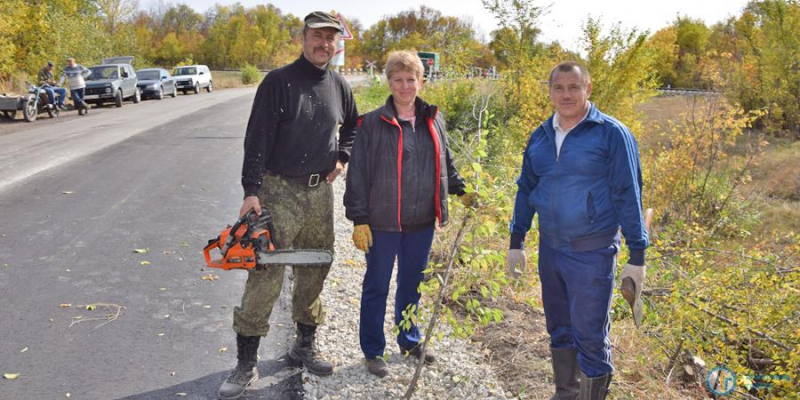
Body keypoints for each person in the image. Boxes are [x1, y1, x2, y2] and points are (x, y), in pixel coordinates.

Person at [217, 11, 359, 400]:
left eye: (331, 38)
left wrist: (342, 156)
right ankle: (246, 363)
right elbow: (257, 138)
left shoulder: (340, 85)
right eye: (317, 36)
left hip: (319, 195)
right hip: (277, 192)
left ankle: (304, 345)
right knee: (266, 274)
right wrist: (251, 191)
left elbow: (353, 126)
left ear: (337, 44)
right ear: (303, 37)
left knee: (316, 267)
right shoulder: (278, 83)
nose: (324, 44)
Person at [505, 61, 648, 400]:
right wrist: (516, 240)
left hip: (592, 252)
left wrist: (637, 255)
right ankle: (566, 393)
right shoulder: (540, 136)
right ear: (550, 91)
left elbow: (628, 193)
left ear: (588, 89)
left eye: (574, 87)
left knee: (589, 335)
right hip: (550, 250)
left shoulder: (611, 134)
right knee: (559, 329)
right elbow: (526, 189)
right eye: (559, 88)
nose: (566, 94)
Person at [344, 50, 471, 378]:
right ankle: (373, 350)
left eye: (410, 79)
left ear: (421, 80)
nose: (404, 86)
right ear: (389, 81)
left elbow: (446, 162)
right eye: (398, 80)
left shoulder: (433, 118)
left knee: (412, 284)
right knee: (377, 285)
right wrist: (359, 218)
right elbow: (357, 174)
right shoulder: (372, 123)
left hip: (422, 222)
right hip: (382, 223)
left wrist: (462, 190)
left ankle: (409, 340)